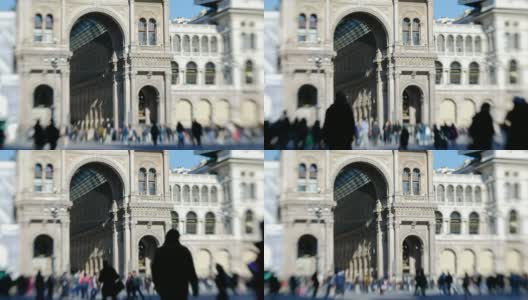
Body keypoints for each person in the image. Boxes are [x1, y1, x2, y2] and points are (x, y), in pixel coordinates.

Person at [151, 229, 198, 300]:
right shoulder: (184, 251)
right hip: (181, 286)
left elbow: (154, 270)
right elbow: (191, 270)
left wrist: (157, 285)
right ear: (177, 238)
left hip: (165, 287)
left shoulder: (160, 251)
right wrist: (195, 287)